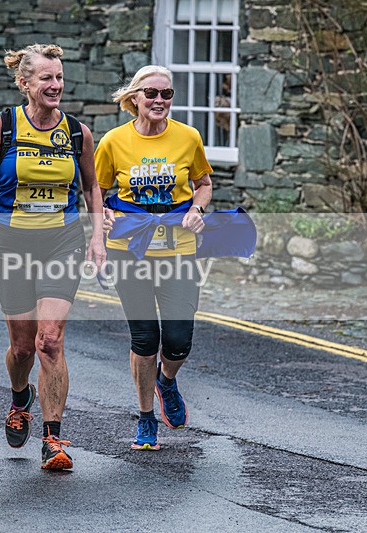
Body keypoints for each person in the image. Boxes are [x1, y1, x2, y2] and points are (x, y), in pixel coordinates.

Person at [0, 44, 105, 470]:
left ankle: (54, 440)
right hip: (10, 243)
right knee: (23, 347)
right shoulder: (6, 126)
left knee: (50, 340)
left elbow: (92, 188)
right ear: (25, 83)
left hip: (62, 241)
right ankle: (18, 398)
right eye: (46, 78)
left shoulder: (77, 132)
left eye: (59, 77)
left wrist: (97, 237)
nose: (56, 85)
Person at [94, 65, 213, 451]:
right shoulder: (113, 142)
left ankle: (166, 380)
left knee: (178, 340)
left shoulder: (188, 137)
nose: (160, 101)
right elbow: (96, 190)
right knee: (144, 339)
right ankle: (146, 418)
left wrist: (197, 209)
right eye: (151, 93)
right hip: (129, 251)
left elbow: (204, 183)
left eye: (167, 94)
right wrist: (104, 213)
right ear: (135, 98)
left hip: (179, 250)